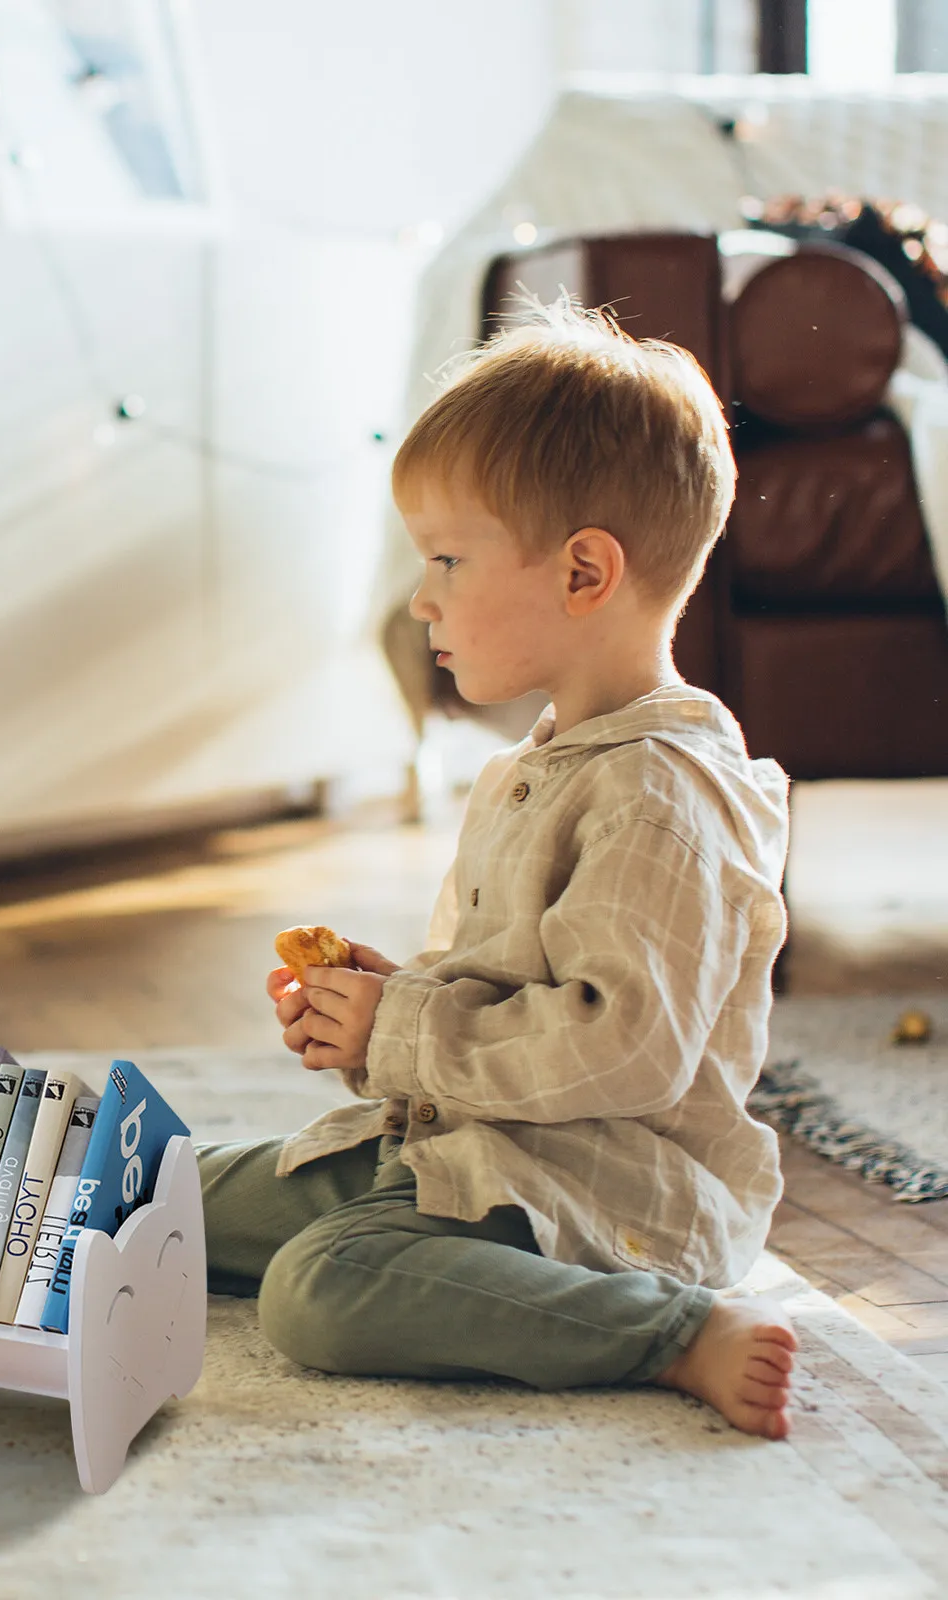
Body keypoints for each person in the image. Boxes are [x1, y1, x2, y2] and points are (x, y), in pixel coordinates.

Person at [198, 300, 799, 1439]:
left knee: (321, 1291)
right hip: (474, 1154)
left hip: (605, 1197)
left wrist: (399, 1031)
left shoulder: (662, 792)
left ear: (582, 573)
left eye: (445, 558)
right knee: (156, 1197)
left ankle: (667, 1330)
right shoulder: (548, 762)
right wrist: (386, 1005)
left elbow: (623, 1046)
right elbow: (509, 985)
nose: (419, 598)